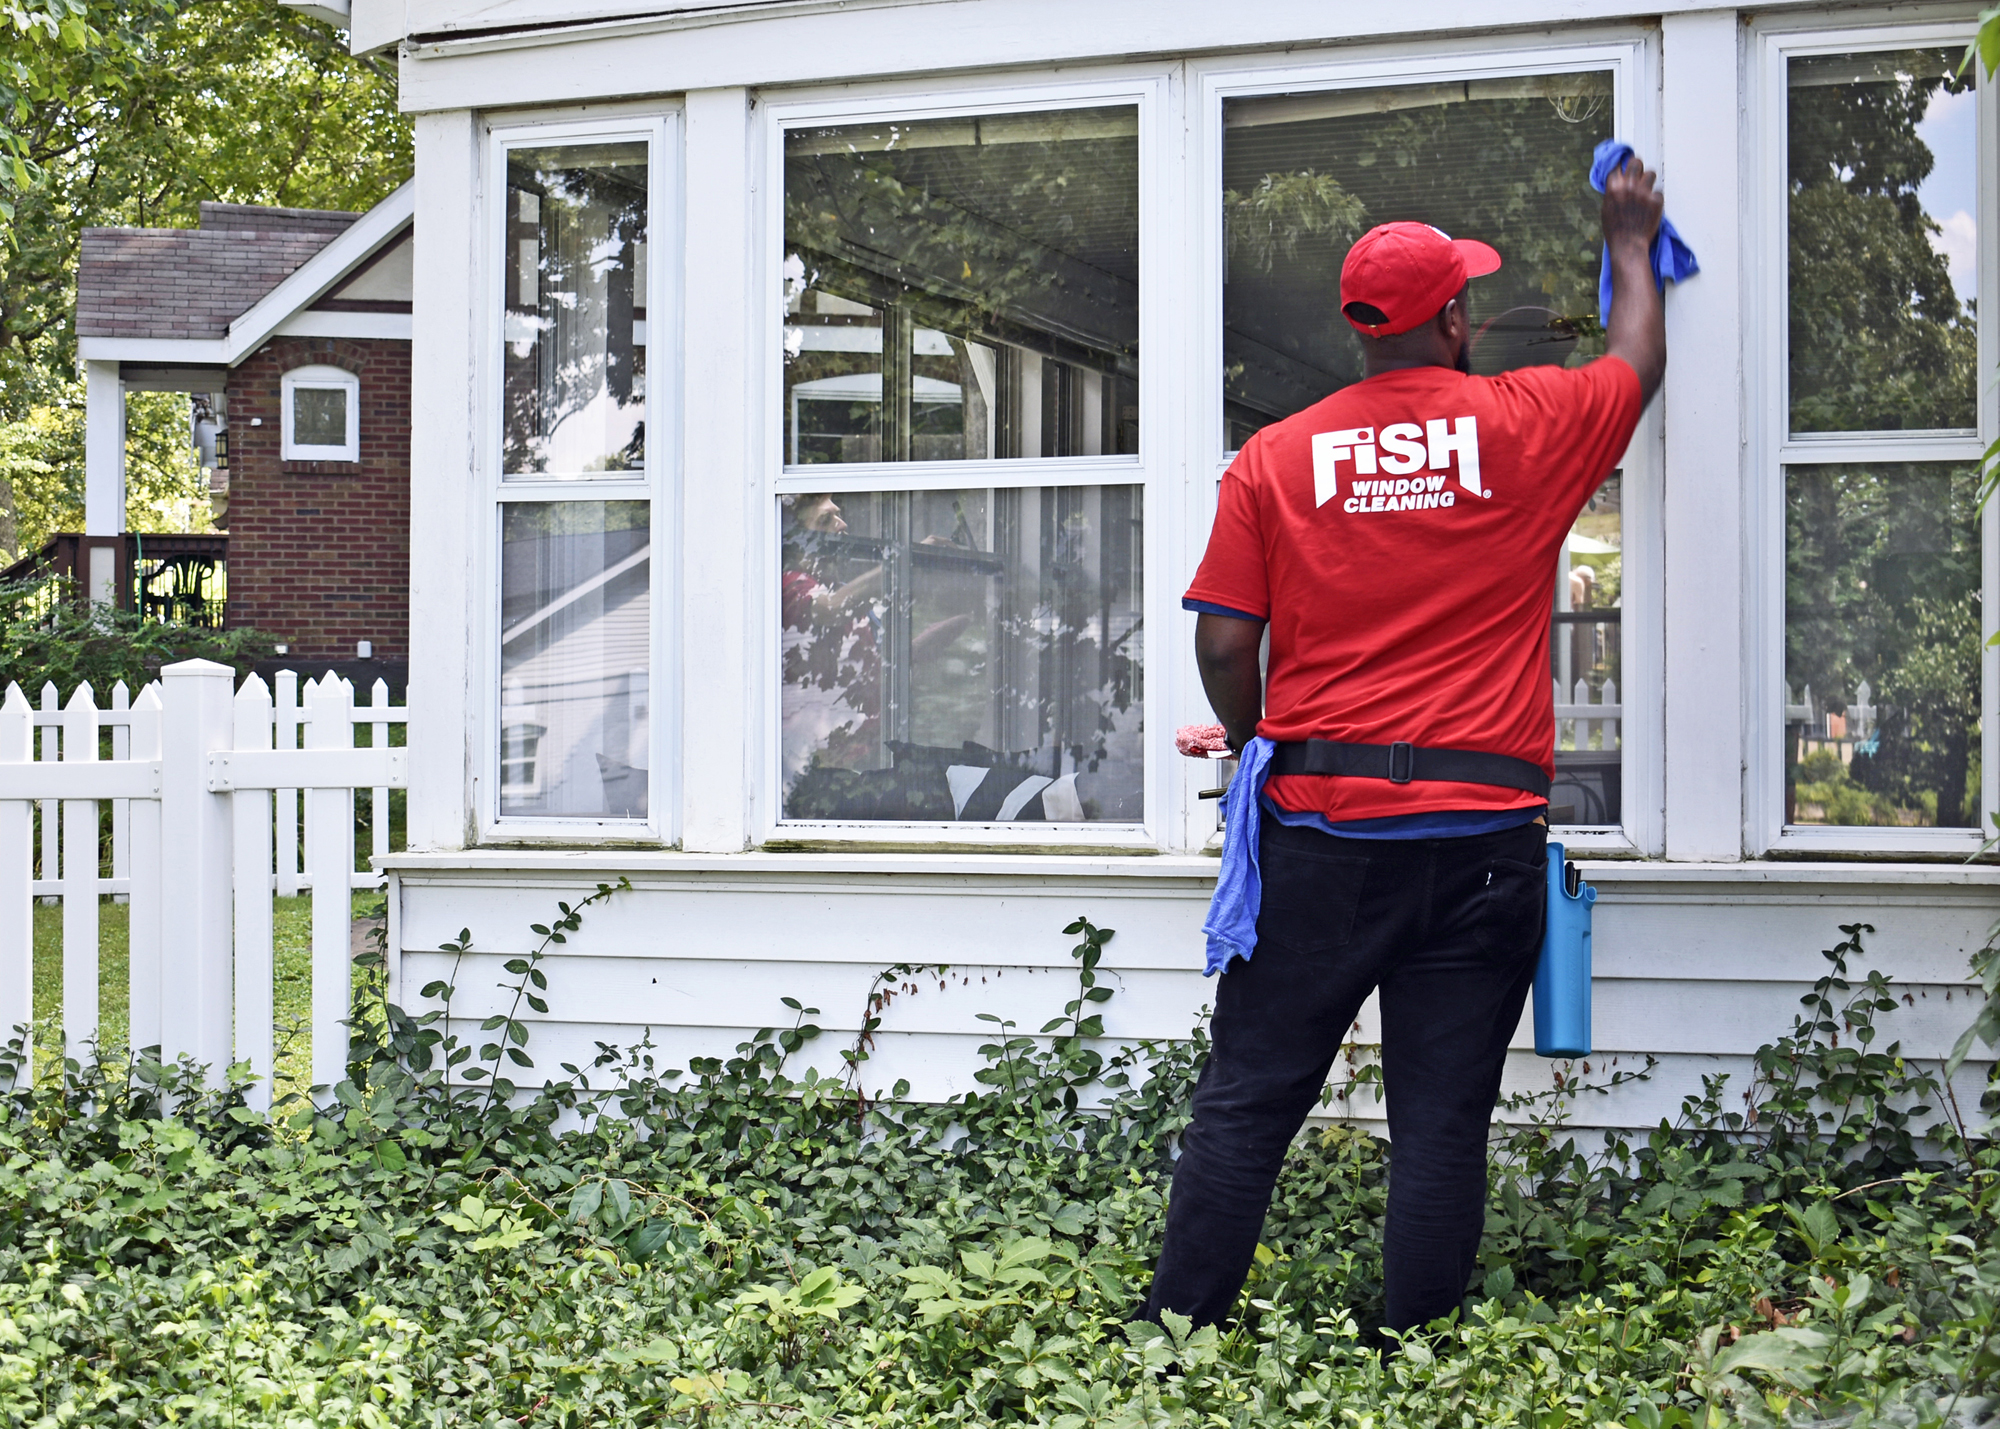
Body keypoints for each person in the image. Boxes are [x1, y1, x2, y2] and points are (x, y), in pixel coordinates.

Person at [1144, 155, 1667, 1334]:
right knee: (1439, 1122)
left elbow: (1223, 641)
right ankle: (1415, 1354)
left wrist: (1255, 740)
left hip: (1320, 838)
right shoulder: (1523, 422)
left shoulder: (1275, 457)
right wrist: (1628, 240)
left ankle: (1172, 1342)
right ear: (1452, 318)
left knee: (1247, 1099)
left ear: (1358, 327)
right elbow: (1635, 362)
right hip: (1480, 840)